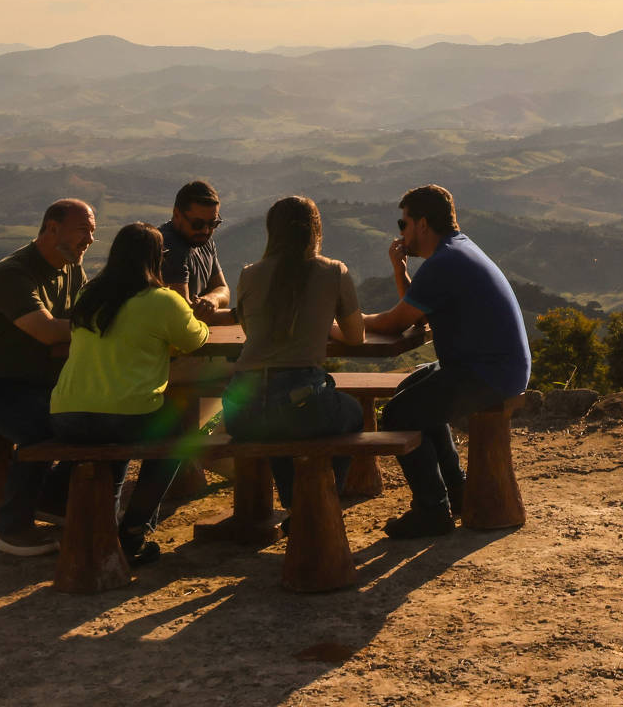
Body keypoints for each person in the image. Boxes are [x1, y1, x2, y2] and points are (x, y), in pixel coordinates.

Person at [361, 183, 530, 538]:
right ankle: (455, 490)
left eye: (403, 224)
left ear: (422, 224)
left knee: (397, 413)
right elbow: (419, 313)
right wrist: (399, 269)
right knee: (415, 389)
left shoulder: (445, 262)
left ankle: (432, 510)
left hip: (489, 373)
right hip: (495, 366)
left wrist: (340, 324)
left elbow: (396, 321)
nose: (401, 232)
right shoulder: (456, 251)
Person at [48, 223, 210, 568]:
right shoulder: (162, 300)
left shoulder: (88, 295)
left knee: (115, 442)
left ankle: (103, 531)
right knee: (175, 439)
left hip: (66, 416)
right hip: (126, 416)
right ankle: (134, 529)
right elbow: (197, 339)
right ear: (157, 259)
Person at [0, 198, 95, 556]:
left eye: (93, 231)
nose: (90, 239)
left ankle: (49, 498)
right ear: (51, 228)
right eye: (83, 230)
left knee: (93, 418)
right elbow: (49, 332)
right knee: (44, 427)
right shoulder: (13, 274)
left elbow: (79, 319)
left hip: (35, 383)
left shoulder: (71, 268)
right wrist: (97, 328)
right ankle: (12, 529)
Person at [223, 196, 369, 507]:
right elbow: (356, 337)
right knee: (352, 414)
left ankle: (295, 504)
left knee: (280, 426)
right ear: (316, 230)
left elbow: (252, 334)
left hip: (241, 412)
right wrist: (324, 323)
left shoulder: (249, 274)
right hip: (299, 404)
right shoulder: (333, 271)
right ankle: (319, 501)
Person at [160, 179, 236, 326]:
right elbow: (182, 314)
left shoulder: (203, 241)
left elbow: (223, 289)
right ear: (177, 215)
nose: (206, 230)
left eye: (213, 223)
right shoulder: (168, 247)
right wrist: (238, 316)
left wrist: (212, 299)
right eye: (197, 224)